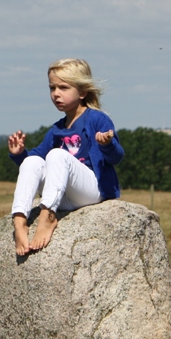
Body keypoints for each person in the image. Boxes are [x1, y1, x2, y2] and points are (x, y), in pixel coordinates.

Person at [8, 58, 124, 255]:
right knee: (33, 160)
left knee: (57, 155)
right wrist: (20, 155)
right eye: (52, 88)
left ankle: (48, 216)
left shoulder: (97, 118)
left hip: (91, 190)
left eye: (63, 87)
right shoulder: (57, 129)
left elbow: (117, 157)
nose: (56, 94)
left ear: (82, 92)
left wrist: (107, 144)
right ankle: (20, 221)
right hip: (62, 195)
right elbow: (34, 164)